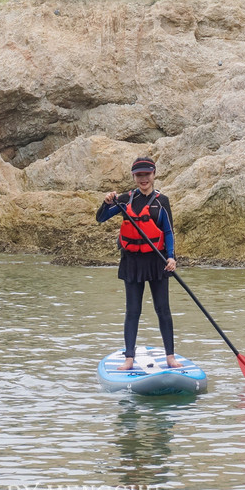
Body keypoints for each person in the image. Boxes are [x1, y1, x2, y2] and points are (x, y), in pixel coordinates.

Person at [96, 156, 178, 370]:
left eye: (147, 174)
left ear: (154, 175)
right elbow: (101, 218)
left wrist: (171, 257)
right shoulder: (124, 199)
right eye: (139, 175)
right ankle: (129, 359)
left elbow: (168, 231)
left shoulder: (162, 201)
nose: (144, 179)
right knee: (133, 311)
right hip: (132, 262)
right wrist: (106, 203)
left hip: (157, 261)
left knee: (163, 310)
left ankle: (170, 357)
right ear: (134, 177)